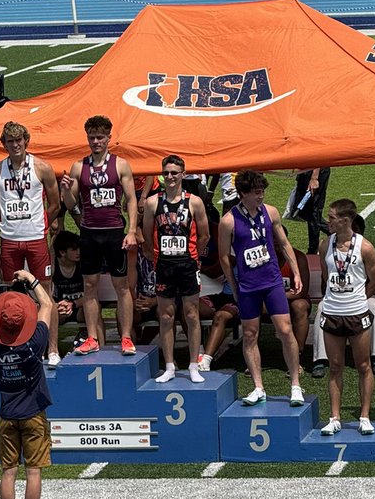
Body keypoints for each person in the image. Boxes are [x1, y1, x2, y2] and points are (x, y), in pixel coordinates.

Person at [217, 171, 305, 406]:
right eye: (256, 193)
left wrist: (296, 272)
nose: (261, 196)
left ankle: (295, 384)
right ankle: (258, 387)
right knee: (249, 334)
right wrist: (233, 285)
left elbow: (284, 243)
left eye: (262, 192)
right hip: (248, 285)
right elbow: (224, 256)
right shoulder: (228, 221)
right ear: (243, 193)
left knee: (285, 331)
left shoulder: (271, 212)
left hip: (272, 281)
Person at [60, 115, 139, 357]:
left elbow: (131, 199)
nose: (96, 141)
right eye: (92, 137)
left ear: (108, 138)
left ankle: (126, 337)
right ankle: (92, 337)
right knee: (90, 286)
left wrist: (132, 231)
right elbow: (72, 203)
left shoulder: (121, 164)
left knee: (122, 286)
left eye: (100, 137)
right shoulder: (78, 166)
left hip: (114, 232)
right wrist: (65, 189)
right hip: (89, 233)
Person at [0, 272, 54, 499]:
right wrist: (32, 279)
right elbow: (47, 305)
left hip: (6, 414)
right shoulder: (34, 342)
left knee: (8, 472)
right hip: (33, 414)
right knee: (33, 471)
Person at [0, 122, 61, 364]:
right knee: (14, 296)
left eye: (19, 141)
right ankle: (19, 346)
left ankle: (51, 349)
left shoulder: (42, 167)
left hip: (36, 238)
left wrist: (39, 223)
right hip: (10, 240)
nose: (15, 145)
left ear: (26, 142)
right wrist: (9, 224)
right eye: (10, 141)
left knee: (45, 294)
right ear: (4, 144)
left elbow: (55, 203)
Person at [141, 155, 210, 384]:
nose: (170, 177)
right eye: (166, 172)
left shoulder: (195, 202)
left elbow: (205, 235)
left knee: (191, 315)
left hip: (188, 264)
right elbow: (147, 236)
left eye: (174, 172)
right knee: (166, 316)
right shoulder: (153, 202)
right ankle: (169, 366)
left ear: (183, 174)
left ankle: (193, 364)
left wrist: (193, 256)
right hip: (164, 266)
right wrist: (156, 258)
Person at [317, 199, 375, 436]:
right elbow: (327, 275)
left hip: (356, 313)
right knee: (335, 366)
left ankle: (364, 416)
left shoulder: (365, 247)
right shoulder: (326, 245)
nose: (328, 220)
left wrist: (358, 298)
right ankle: (334, 417)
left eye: (331, 217)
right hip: (332, 312)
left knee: (363, 365)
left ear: (345, 221)